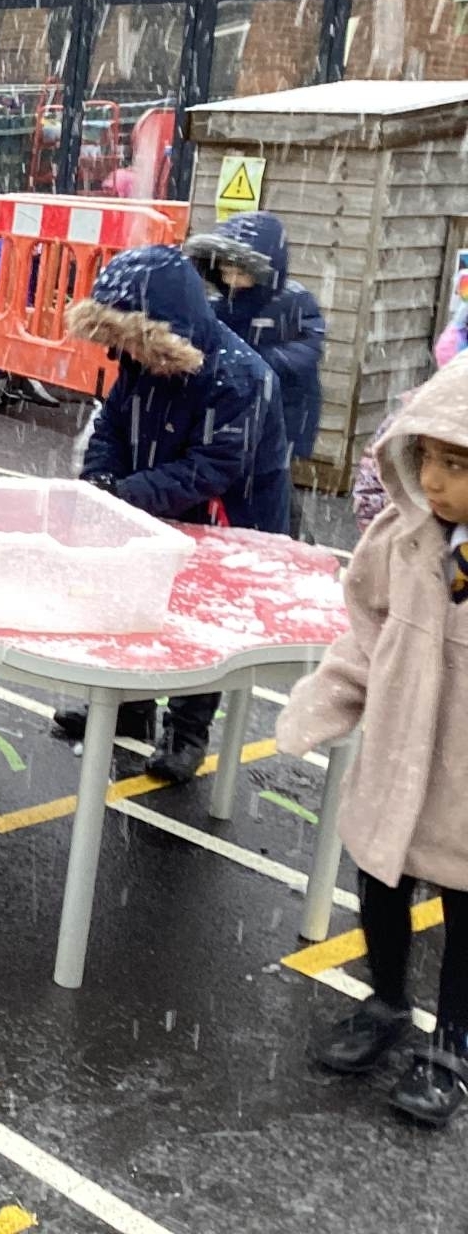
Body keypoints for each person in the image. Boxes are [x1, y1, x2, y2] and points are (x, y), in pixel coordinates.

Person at [276, 354, 468, 1129]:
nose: (435, 481)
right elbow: (364, 631)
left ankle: (452, 1042)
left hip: (463, 781)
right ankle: (386, 1000)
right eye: (427, 458)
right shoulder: (401, 538)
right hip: (396, 753)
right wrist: (326, 700)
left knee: (464, 906)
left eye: (457, 465)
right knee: (381, 882)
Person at [56, 244, 292, 779]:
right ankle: (130, 705)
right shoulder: (140, 359)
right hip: (154, 502)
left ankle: (187, 729)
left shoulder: (242, 377)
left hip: (231, 519)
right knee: (134, 599)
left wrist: (123, 493)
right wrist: (100, 480)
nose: (124, 354)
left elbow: (211, 469)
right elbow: (111, 426)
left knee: (202, 625)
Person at [185, 212, 325, 537]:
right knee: (241, 479)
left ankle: (292, 537)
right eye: (226, 271)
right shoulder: (220, 306)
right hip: (240, 410)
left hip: (286, 412)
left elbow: (308, 348)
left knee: (273, 481)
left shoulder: (294, 302)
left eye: (240, 272)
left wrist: (257, 363)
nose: (232, 279)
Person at [355, 298, 468, 535]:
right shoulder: (414, 413)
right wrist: (399, 527)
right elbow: (372, 485)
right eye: (424, 456)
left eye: (454, 464)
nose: (429, 481)